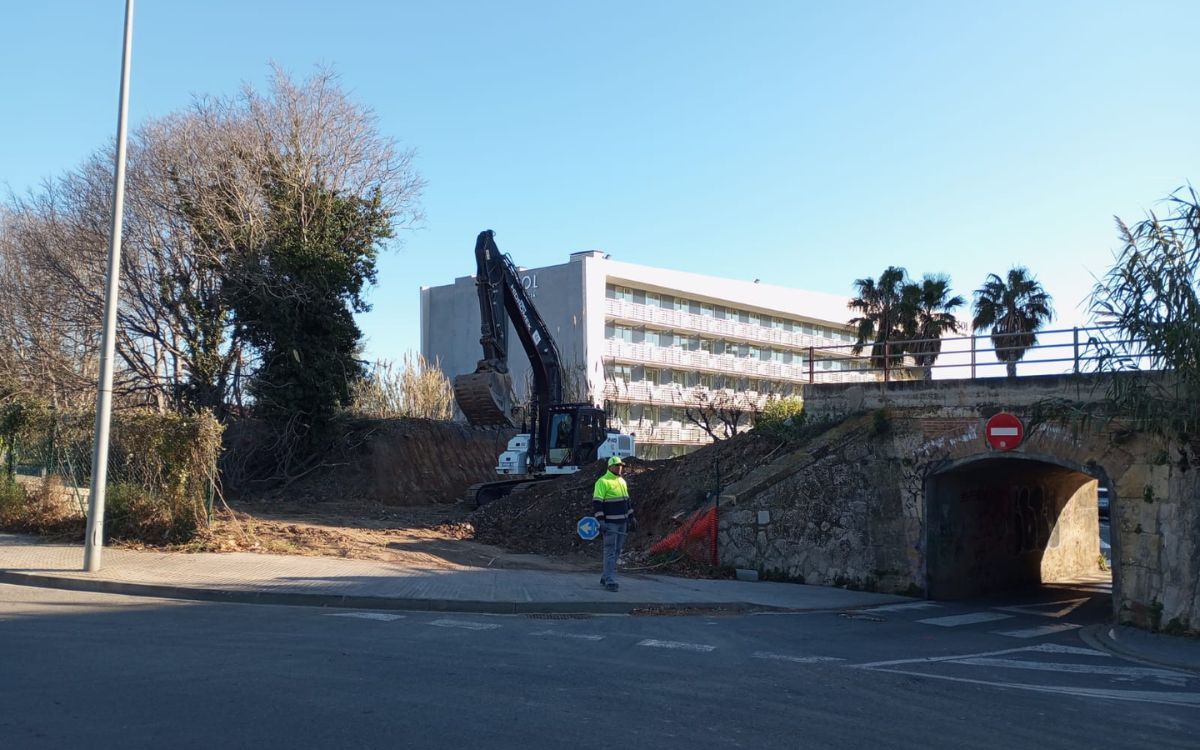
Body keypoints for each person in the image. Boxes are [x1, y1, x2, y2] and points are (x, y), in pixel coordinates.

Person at [593, 455, 635, 592]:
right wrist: (601, 521)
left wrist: (631, 517)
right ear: (610, 467)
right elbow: (597, 503)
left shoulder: (622, 481)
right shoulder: (602, 482)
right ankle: (609, 579)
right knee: (610, 550)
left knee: (616, 550)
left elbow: (626, 501)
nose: (620, 468)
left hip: (622, 522)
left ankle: (606, 576)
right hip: (610, 523)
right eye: (617, 465)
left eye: (621, 466)